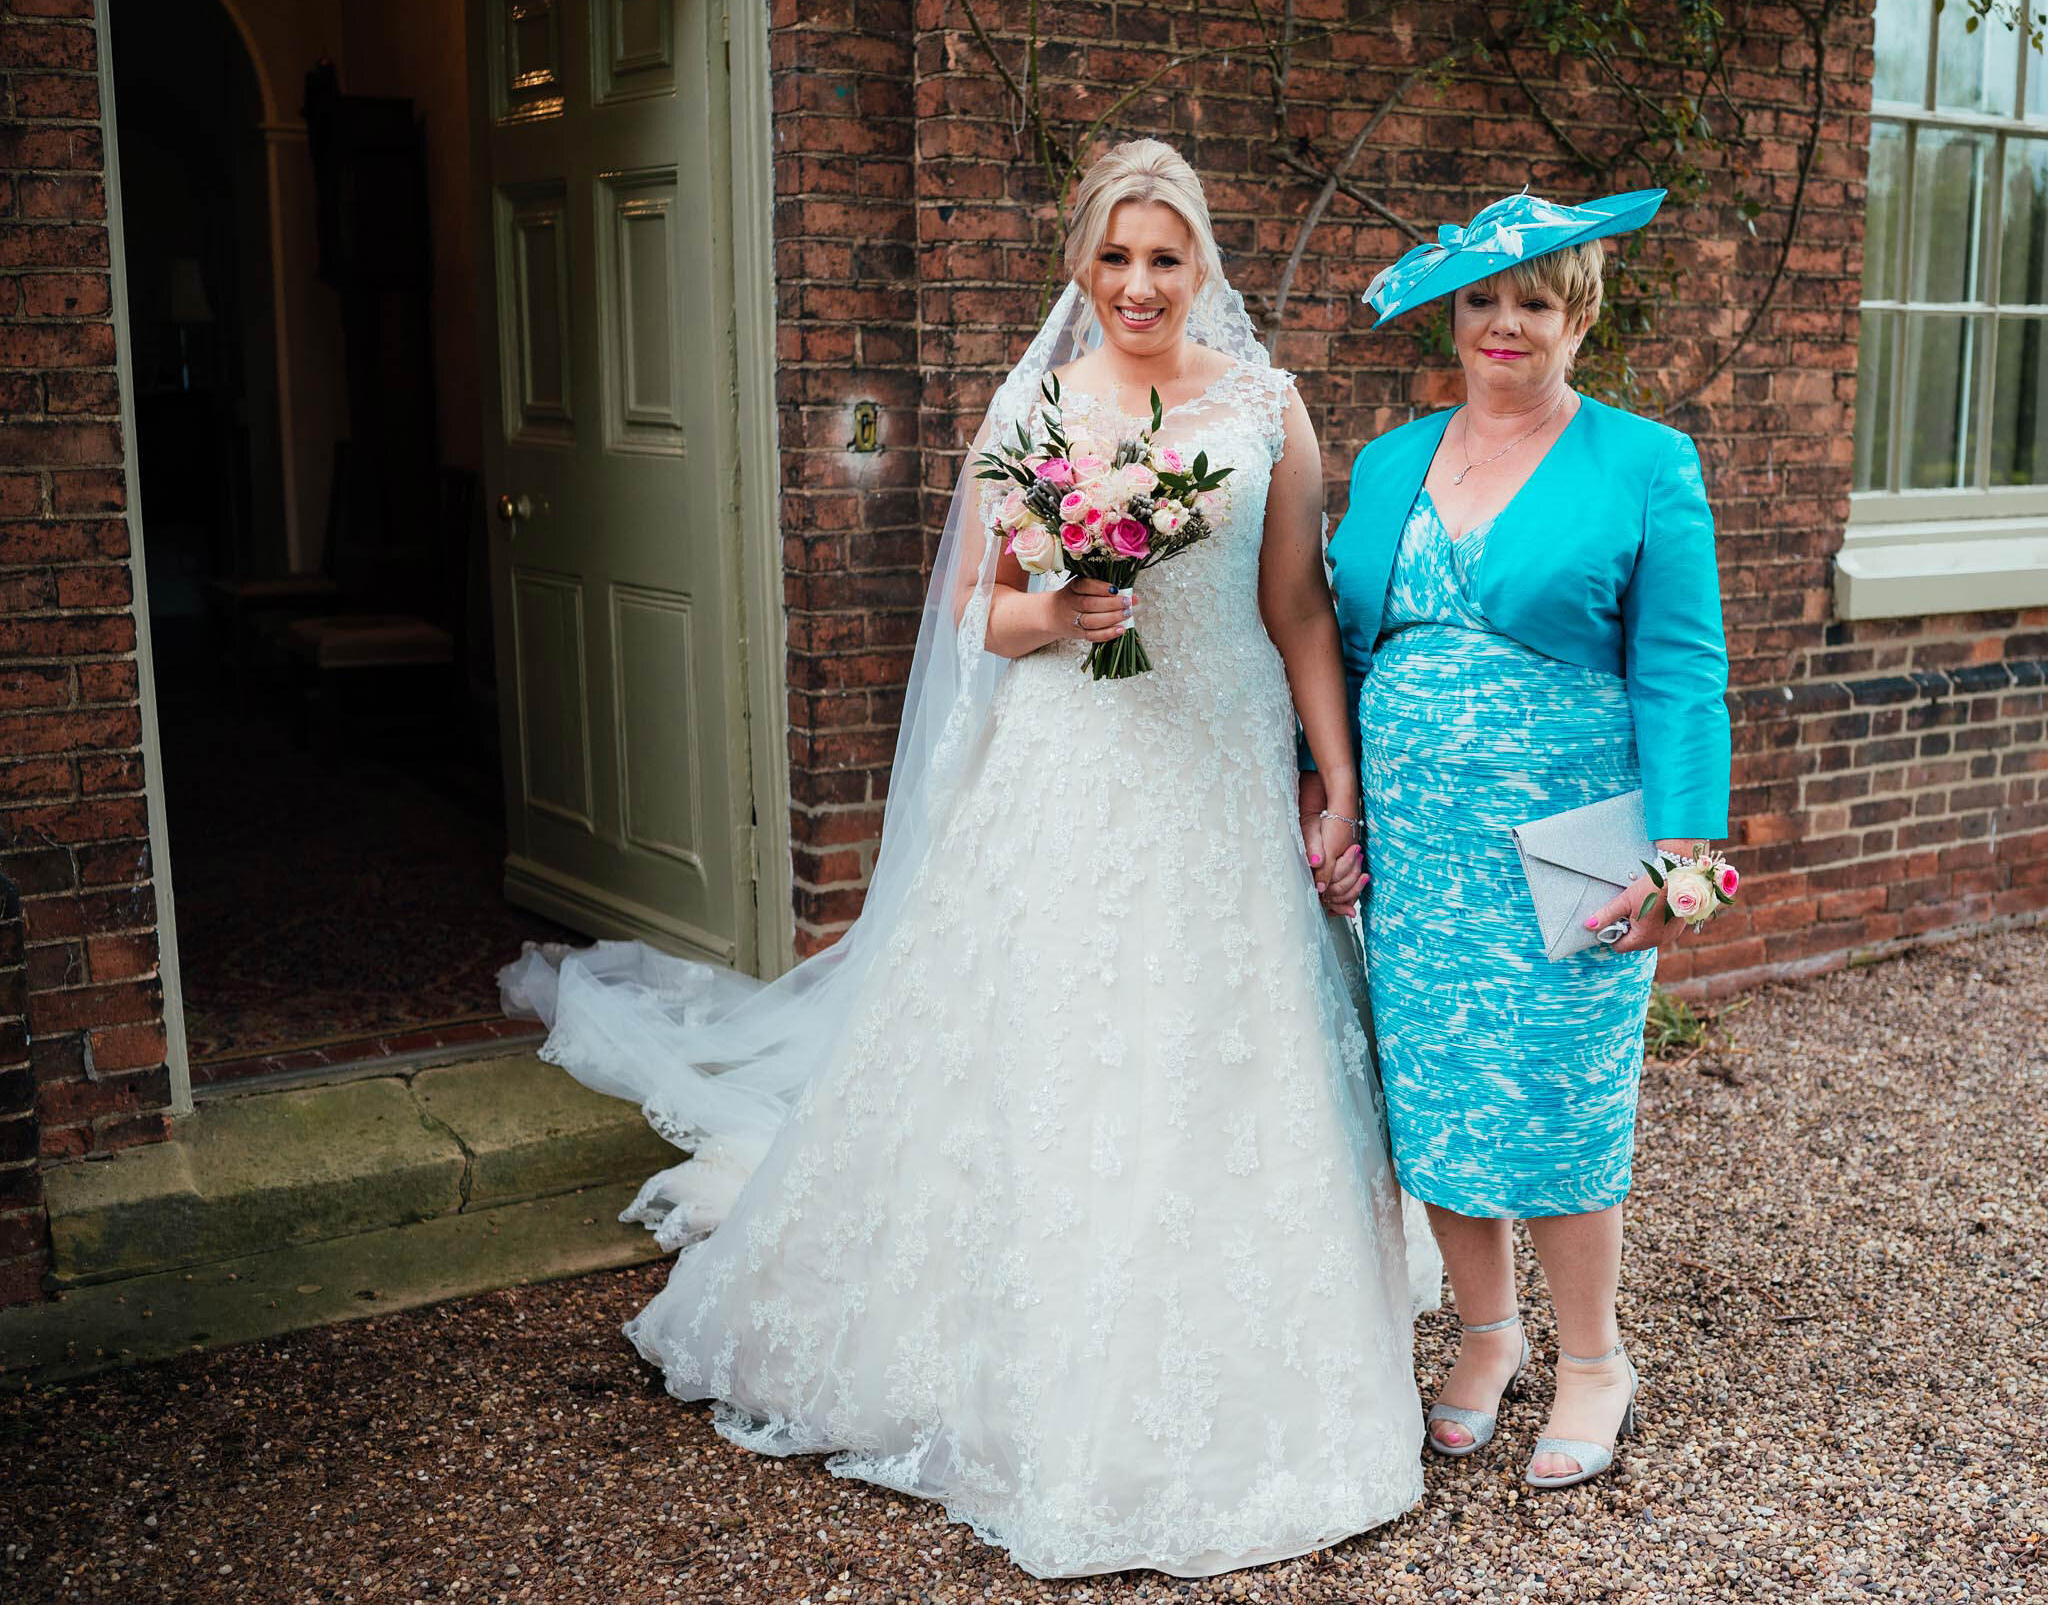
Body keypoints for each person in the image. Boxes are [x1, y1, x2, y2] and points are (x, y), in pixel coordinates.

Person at [502, 140, 1429, 1577]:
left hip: (1219, 764)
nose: (1139, 285)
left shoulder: (1268, 405)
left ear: (1202, 265)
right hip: (1073, 762)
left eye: (1165, 259)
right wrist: (1064, 616)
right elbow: (979, 621)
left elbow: (1300, 608)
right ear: (1081, 264)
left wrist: (1339, 782)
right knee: (1056, 1039)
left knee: (1219, 1035)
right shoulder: (1038, 403)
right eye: (1115, 259)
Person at [1315, 189, 1731, 1489]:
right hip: (1420, 852)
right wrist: (1330, 799)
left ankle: (1596, 1359)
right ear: (1456, 313)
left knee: (1557, 1092)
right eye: (1486, 299)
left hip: (1574, 837)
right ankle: (1487, 1337)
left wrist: (1689, 859)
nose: (1506, 322)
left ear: (1580, 316)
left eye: (1535, 301)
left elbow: (1681, 675)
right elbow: (1338, 645)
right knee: (1437, 1092)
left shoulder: (1645, 463)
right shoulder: (1388, 464)